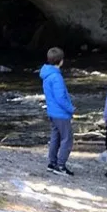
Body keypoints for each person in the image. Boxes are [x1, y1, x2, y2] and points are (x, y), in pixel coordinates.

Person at [40, 47, 75, 175]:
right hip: (61, 113)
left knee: (55, 137)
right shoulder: (56, 77)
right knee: (67, 139)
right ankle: (61, 166)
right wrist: (71, 109)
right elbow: (60, 97)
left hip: (52, 112)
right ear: (61, 61)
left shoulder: (46, 74)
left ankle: (52, 163)